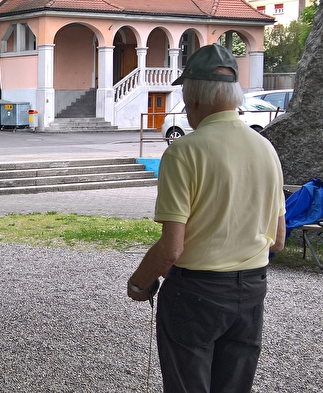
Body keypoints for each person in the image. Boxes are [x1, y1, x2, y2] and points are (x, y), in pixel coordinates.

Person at [127, 44, 286, 393]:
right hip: (252, 290)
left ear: (194, 97)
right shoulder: (266, 149)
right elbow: (279, 239)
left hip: (195, 293)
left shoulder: (184, 152)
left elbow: (171, 248)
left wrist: (138, 284)